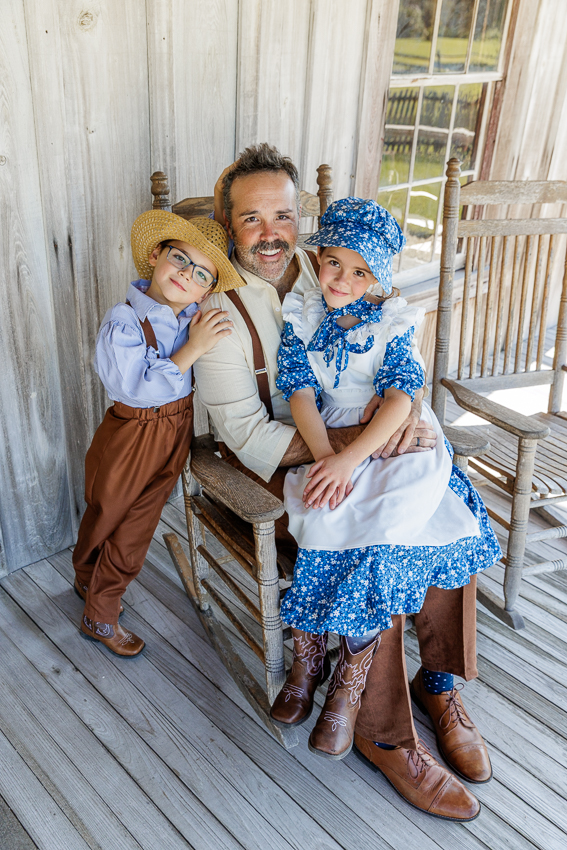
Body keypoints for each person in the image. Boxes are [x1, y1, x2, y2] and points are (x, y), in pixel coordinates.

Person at [194, 144, 493, 820]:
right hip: (286, 461)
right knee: (372, 542)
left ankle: (437, 680)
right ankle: (383, 733)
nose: (271, 232)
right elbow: (245, 435)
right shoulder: (218, 314)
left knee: (446, 499)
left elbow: (394, 356)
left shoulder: (329, 264)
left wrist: (404, 419)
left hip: (358, 440)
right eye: (250, 218)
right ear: (226, 222)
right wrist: (357, 447)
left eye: (283, 214)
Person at [269, 197, 501, 779]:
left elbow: (401, 395)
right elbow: (299, 392)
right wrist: (329, 458)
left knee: (439, 516)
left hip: (388, 444)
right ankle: (329, 680)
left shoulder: (392, 320)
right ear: (317, 259)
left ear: (381, 277)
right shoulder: (300, 314)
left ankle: (431, 685)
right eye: (332, 264)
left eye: (360, 270)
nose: (342, 279)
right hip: (334, 443)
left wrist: (351, 457)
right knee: (331, 522)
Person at [72, 211, 243, 656]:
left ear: (208, 289)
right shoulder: (125, 322)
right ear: (155, 255)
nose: (187, 275)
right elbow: (134, 386)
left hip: (175, 430)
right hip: (133, 433)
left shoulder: (192, 316)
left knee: (134, 517)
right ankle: (100, 616)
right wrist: (193, 349)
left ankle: (90, 581)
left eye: (202, 274)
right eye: (180, 259)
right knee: (120, 520)